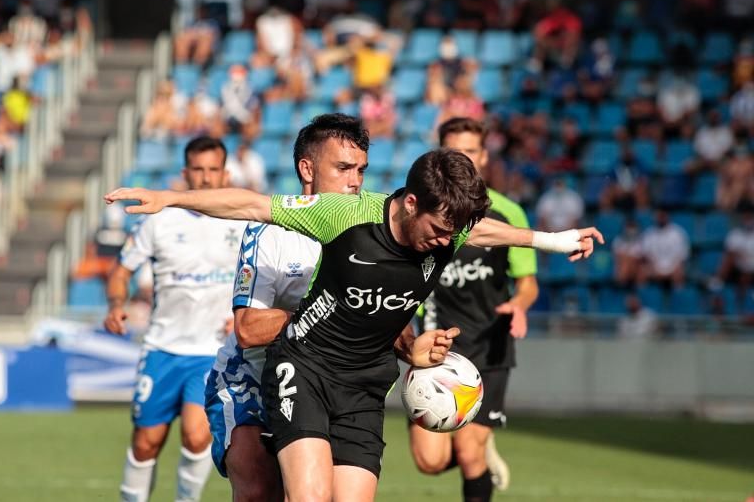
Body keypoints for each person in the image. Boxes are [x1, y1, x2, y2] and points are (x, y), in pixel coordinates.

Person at [104, 150, 603, 502]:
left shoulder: (448, 231)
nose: (445, 242)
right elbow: (253, 205)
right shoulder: (346, 214)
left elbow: (486, 231)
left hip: (366, 386)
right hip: (305, 370)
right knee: (309, 497)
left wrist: (553, 242)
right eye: (438, 229)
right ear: (411, 204)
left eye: (455, 234)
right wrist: (169, 198)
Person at [206, 113, 373, 501]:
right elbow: (247, 329)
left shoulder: (371, 229)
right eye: (344, 168)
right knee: (259, 488)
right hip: (251, 374)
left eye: (361, 171)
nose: (355, 182)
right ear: (307, 169)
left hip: (328, 382)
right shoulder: (271, 230)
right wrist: (325, 315)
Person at [103, 137, 247, 502]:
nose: (205, 177)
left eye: (213, 169)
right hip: (162, 347)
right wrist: (117, 303)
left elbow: (261, 276)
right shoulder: (160, 221)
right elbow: (121, 271)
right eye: (198, 169)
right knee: (146, 442)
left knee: (197, 435)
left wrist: (245, 315)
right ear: (185, 173)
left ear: (225, 173)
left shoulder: (242, 222)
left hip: (212, 351)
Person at [409, 118, 539, 500]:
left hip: (489, 346)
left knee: (468, 453)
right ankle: (481, 448)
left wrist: (519, 305)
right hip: (437, 346)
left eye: (470, 150)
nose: (462, 157)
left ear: (483, 155)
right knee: (429, 461)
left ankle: (477, 448)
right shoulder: (421, 209)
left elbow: (527, 282)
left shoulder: (507, 213)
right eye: (453, 151)